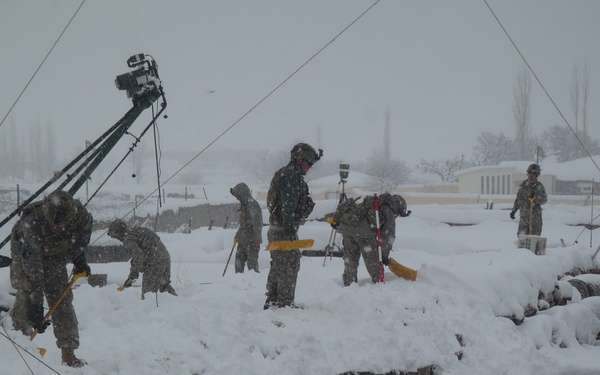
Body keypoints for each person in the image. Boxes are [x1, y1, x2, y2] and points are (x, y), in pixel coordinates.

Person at [10, 190, 92, 368]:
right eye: (53, 225)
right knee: (26, 294)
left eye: (62, 225)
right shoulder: (30, 224)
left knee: (62, 298)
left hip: (53, 253)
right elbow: (34, 275)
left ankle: (68, 352)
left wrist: (79, 257)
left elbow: (84, 232)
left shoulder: (80, 215)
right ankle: (17, 346)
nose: (58, 228)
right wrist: (36, 308)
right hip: (25, 253)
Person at [264, 143, 322, 309]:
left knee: (278, 264)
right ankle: (285, 303)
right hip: (284, 230)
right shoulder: (291, 178)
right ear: (299, 160)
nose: (309, 167)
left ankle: (273, 298)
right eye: (308, 163)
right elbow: (287, 207)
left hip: (276, 229)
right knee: (290, 265)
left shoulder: (284, 173)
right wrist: (290, 228)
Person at [331, 193, 409, 286]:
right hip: (364, 234)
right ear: (398, 207)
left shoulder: (370, 200)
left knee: (351, 259)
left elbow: (346, 205)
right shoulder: (388, 208)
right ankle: (378, 284)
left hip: (347, 229)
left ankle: (349, 284)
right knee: (373, 262)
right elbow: (388, 235)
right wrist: (383, 256)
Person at [107, 219, 177, 299]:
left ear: (118, 232)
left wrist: (132, 276)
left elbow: (139, 256)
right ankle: (176, 304)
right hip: (165, 257)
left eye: (115, 235)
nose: (116, 238)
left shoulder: (129, 239)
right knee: (164, 286)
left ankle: (148, 310)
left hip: (155, 263)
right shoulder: (138, 231)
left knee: (148, 294)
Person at [230, 182, 263, 273]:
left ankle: (252, 284)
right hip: (242, 240)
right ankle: (239, 282)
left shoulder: (253, 205)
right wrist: (238, 235)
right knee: (238, 263)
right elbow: (243, 224)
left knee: (252, 266)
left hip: (252, 241)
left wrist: (256, 238)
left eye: (238, 196)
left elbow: (258, 223)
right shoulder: (244, 205)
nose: (237, 198)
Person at [510, 163, 548, 236]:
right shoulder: (523, 185)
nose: (531, 175)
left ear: (537, 175)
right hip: (523, 220)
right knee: (521, 239)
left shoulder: (539, 186)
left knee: (533, 241)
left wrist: (536, 198)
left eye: (534, 173)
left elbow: (544, 199)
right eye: (530, 173)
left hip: (535, 221)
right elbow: (518, 199)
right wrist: (514, 210)